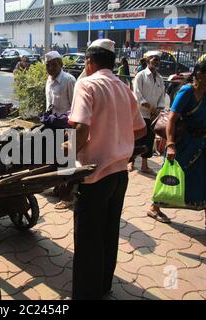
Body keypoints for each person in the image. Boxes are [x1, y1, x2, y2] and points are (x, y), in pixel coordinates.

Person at [67, 39, 146, 300]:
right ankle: (103, 286)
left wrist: (60, 154)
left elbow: (80, 130)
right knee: (109, 232)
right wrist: (117, 137)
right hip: (119, 174)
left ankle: (85, 295)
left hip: (94, 176)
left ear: (89, 62)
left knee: (89, 240)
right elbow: (141, 129)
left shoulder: (86, 83)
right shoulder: (124, 87)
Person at [146, 61, 206, 233]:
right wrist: (170, 144)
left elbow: (204, 119)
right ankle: (154, 207)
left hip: (201, 143)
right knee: (173, 177)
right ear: (199, 75)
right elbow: (171, 119)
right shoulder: (187, 92)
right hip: (184, 144)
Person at [45, 50, 76, 210]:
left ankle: (68, 196)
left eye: (54, 65)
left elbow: (75, 106)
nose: (50, 68)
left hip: (67, 127)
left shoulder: (69, 80)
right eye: (48, 65)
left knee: (67, 161)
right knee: (56, 159)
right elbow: (48, 104)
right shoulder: (49, 81)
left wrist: (69, 126)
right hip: (53, 125)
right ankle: (58, 188)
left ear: (61, 65)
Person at [128, 52, 165, 174]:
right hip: (140, 114)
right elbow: (138, 96)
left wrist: (158, 110)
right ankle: (130, 162)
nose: (156, 62)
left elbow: (162, 97)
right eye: (154, 59)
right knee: (137, 138)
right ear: (148, 60)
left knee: (149, 139)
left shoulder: (159, 78)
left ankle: (144, 165)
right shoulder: (140, 76)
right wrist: (152, 109)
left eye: (158, 60)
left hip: (153, 116)